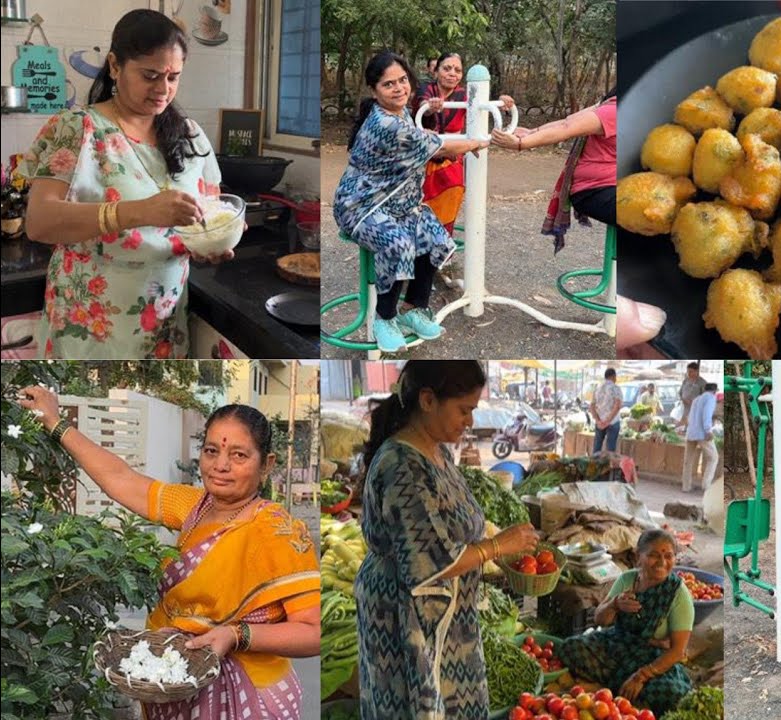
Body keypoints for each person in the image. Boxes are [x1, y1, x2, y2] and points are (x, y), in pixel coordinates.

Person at [17, 387, 320, 718]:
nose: (220, 465)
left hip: (250, 693)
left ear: (266, 464)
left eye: (239, 455)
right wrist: (55, 422)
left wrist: (235, 634)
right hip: (177, 680)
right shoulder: (195, 507)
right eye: (211, 451)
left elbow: (313, 633)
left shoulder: (277, 531)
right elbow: (120, 478)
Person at [19, 9, 233, 359]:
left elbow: (211, 211)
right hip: (91, 324)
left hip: (165, 320)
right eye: (150, 75)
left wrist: (205, 244)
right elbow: (39, 222)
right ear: (115, 66)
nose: (163, 89)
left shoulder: (189, 134)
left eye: (173, 77)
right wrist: (141, 211)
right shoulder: (78, 128)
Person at [354, 360, 539, 719]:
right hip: (406, 618)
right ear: (427, 400)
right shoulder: (401, 465)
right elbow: (426, 564)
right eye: (464, 409)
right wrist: (497, 546)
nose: (469, 421)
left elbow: (451, 531)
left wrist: (496, 551)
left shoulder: (436, 451)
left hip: (446, 619)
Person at [333, 51, 488, 353]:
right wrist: (477, 141)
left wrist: (428, 135)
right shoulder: (386, 124)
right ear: (374, 91)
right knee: (400, 243)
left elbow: (422, 140)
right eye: (389, 84)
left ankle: (414, 309)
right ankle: (384, 318)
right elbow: (439, 146)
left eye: (403, 80)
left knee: (434, 236)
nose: (400, 88)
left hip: (400, 204)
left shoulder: (400, 114)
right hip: (361, 206)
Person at [559, 529, 693, 715]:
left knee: (672, 695)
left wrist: (641, 676)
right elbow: (600, 620)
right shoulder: (627, 579)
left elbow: (677, 651)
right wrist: (615, 604)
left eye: (669, 556)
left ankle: (607, 686)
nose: (662, 562)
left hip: (653, 658)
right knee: (570, 647)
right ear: (639, 556)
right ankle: (616, 689)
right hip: (618, 643)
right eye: (653, 555)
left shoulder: (678, 593)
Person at [490, 88, 616, 252]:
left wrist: (532, 131)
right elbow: (566, 127)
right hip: (596, 190)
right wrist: (521, 143)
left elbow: (568, 120)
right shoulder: (614, 111)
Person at [417, 52, 515, 237]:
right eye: (446, 68)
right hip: (426, 154)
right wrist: (431, 106)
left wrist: (502, 101)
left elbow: (483, 103)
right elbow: (423, 105)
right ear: (435, 71)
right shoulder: (427, 89)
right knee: (422, 202)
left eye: (457, 70)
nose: (452, 73)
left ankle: (442, 243)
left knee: (452, 188)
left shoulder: (464, 94)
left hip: (453, 153)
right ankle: (424, 244)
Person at [681, 382, 719, 493]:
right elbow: (706, 415)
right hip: (702, 433)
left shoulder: (697, 399)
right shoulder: (711, 398)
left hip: (691, 432)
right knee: (713, 458)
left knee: (688, 461)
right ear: (714, 391)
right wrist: (708, 430)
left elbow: (690, 416)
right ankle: (706, 486)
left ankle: (686, 486)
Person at [591, 367, 623, 453]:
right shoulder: (616, 388)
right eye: (615, 377)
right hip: (612, 422)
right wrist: (608, 421)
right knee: (610, 449)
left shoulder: (597, 388)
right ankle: (608, 465)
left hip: (600, 422)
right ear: (613, 376)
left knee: (597, 446)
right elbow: (617, 405)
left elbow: (592, 406)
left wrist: (598, 421)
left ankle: (594, 465)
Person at [676, 362, 706, 430]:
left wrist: (695, 402)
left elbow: (705, 398)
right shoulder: (686, 380)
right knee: (683, 425)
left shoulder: (702, 382)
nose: (688, 373)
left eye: (691, 371)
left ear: (696, 371)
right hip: (684, 408)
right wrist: (683, 399)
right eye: (688, 371)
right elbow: (680, 393)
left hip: (695, 409)